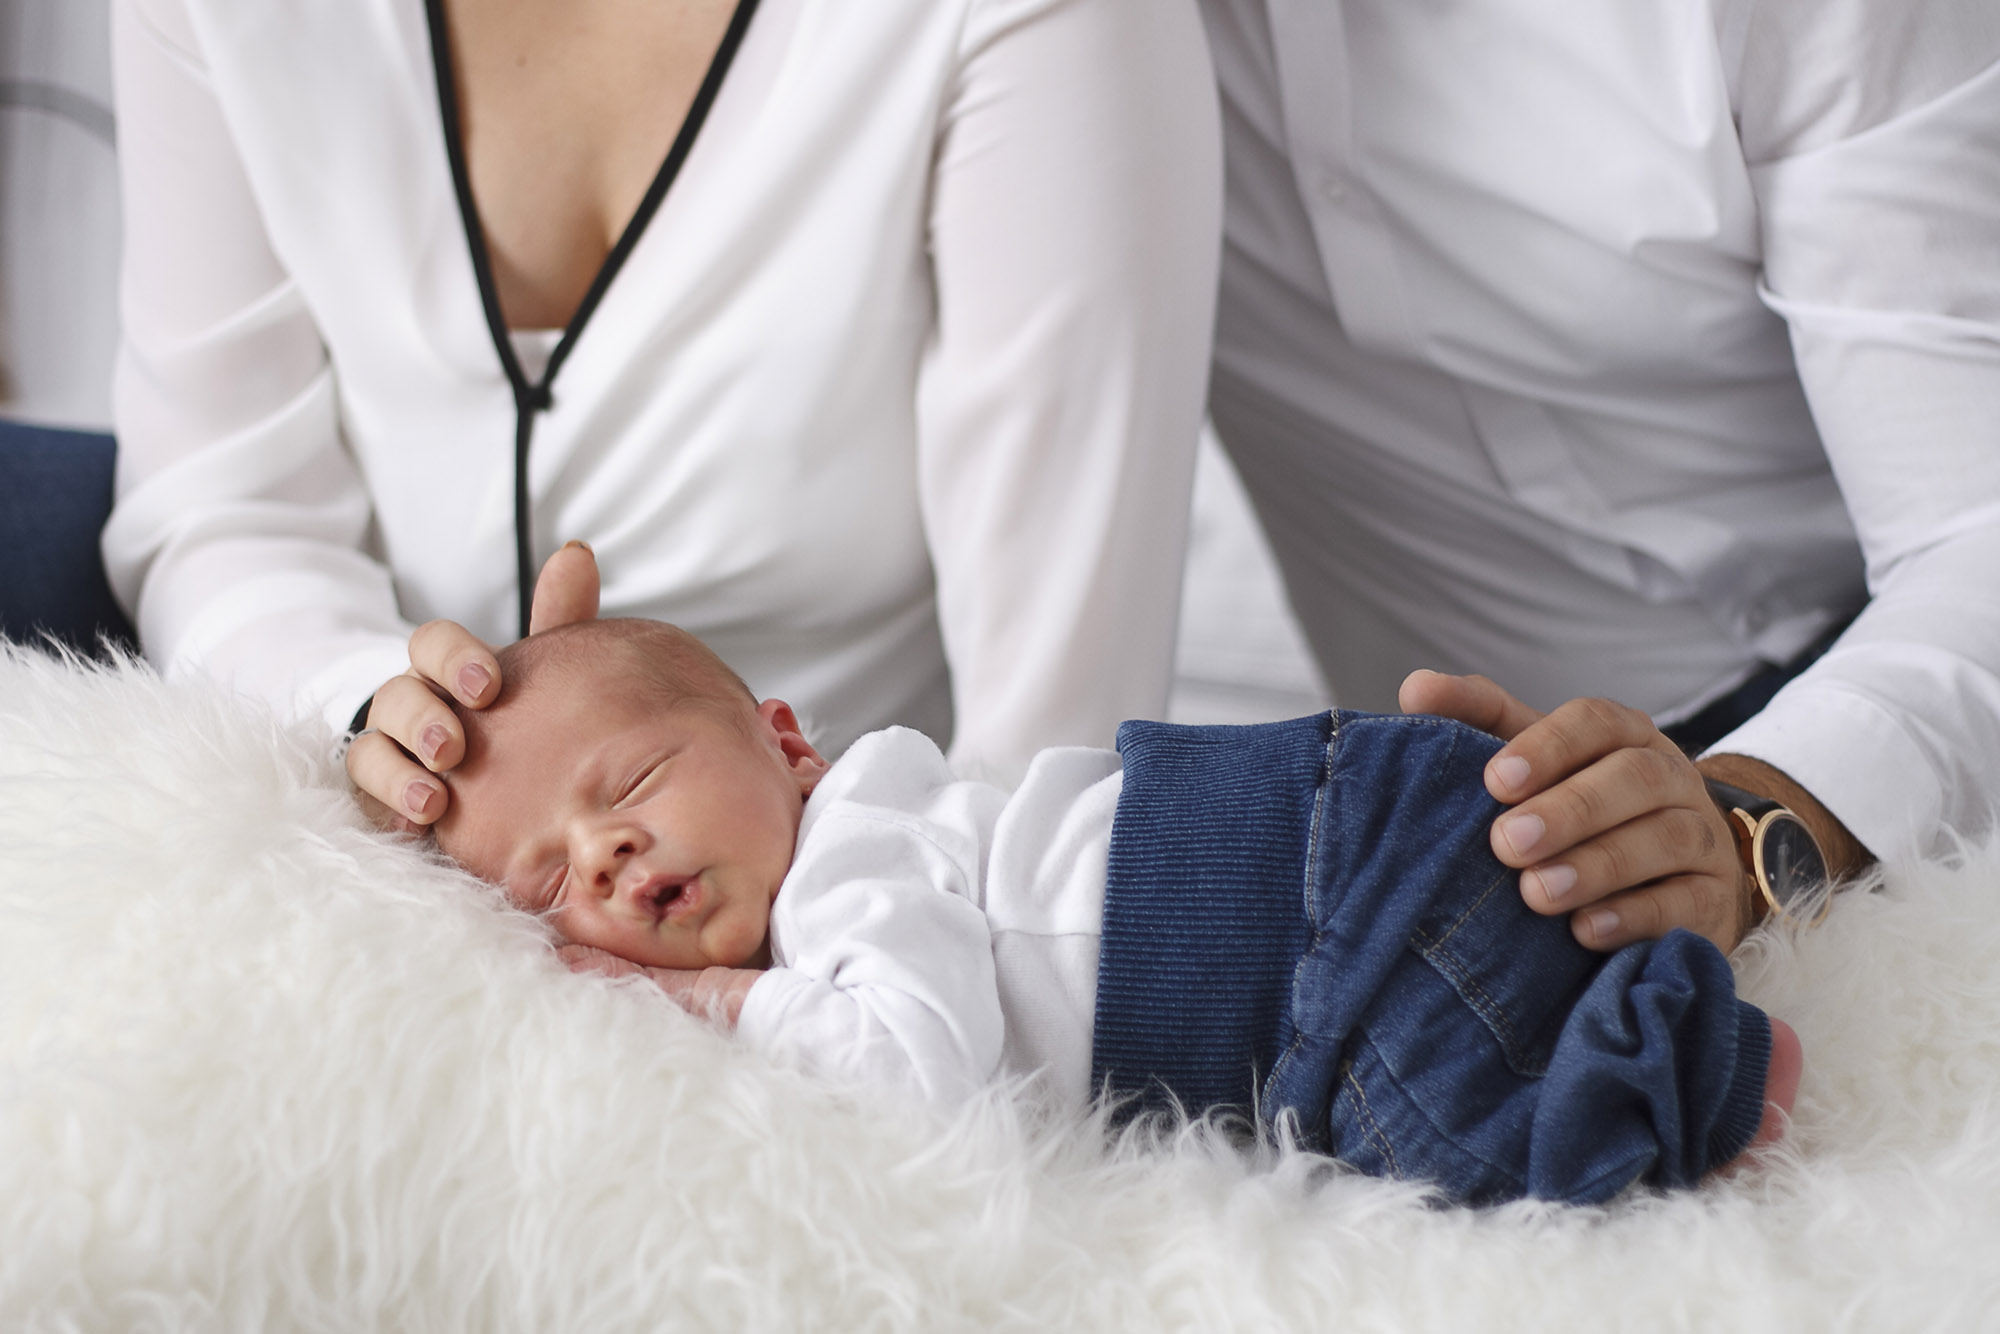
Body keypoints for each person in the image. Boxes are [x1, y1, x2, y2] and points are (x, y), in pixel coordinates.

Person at [100, 0, 1221, 823]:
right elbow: (219, 503)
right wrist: (373, 715)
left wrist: (865, 944)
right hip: (390, 845)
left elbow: (1053, 746)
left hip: (847, 897)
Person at [428, 613, 1805, 1207]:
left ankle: (1683, 1068)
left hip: (1301, 894)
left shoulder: (851, 853)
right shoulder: (853, 870)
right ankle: (1655, 1030)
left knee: (1454, 1156)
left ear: (788, 742)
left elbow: (914, 1084)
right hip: (1334, 850)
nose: (603, 851)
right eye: (551, 885)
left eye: (633, 781)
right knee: (1436, 1079)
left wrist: (721, 1001)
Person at [1196, 0, 2000, 956]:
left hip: (1883, 699)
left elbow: (1976, 529)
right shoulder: (1086, 42)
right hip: (1478, 817)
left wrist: (1751, 820)